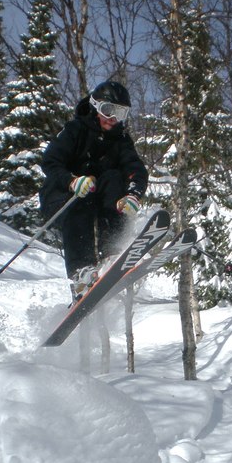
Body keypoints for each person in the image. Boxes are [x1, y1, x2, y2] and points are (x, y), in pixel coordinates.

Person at [40, 80, 149, 299]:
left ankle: (112, 254)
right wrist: (71, 181)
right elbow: (50, 161)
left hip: (97, 198)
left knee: (114, 178)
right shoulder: (75, 130)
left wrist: (133, 194)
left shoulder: (121, 140)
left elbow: (135, 170)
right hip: (62, 196)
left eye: (120, 113)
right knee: (81, 200)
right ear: (95, 107)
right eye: (108, 110)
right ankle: (81, 273)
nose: (112, 118)